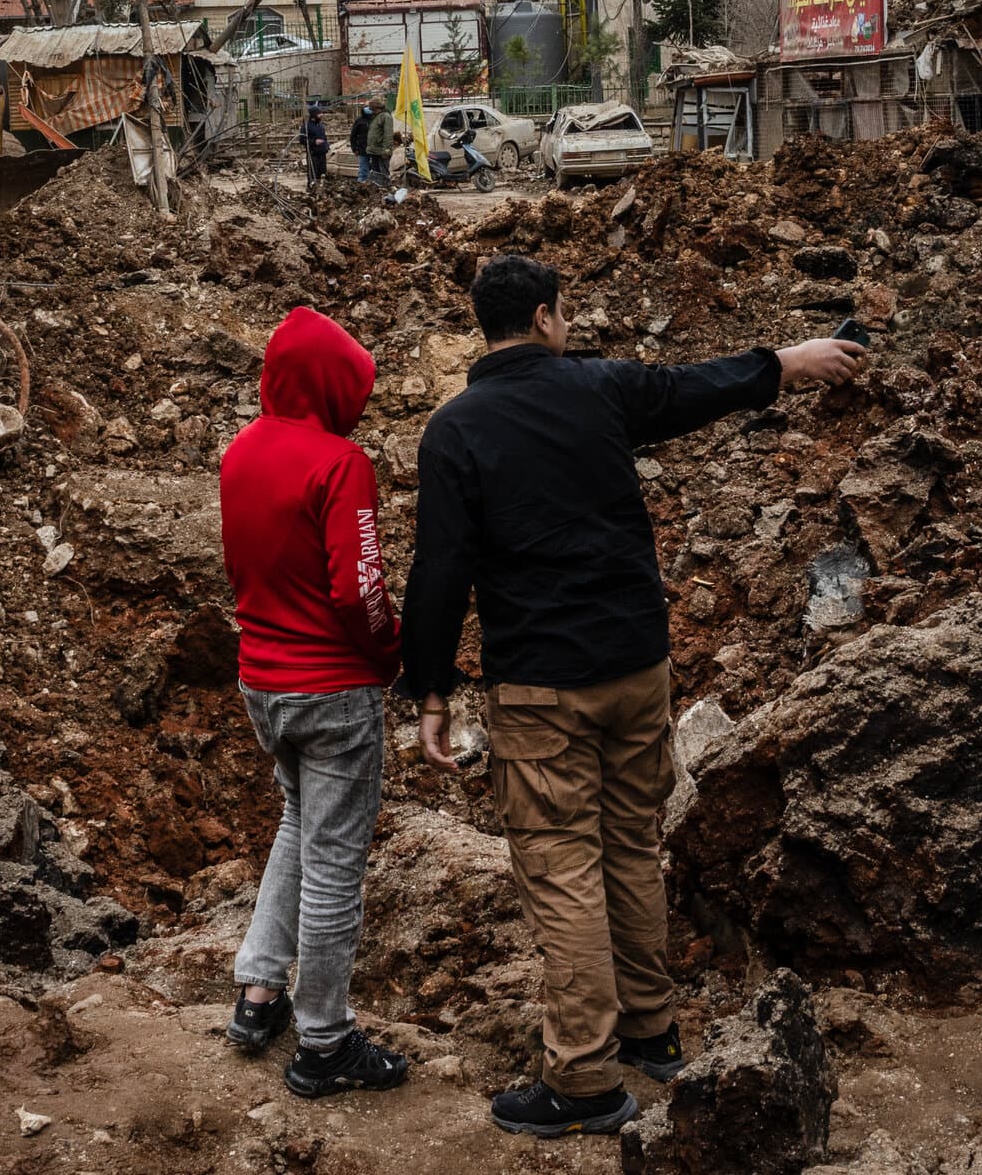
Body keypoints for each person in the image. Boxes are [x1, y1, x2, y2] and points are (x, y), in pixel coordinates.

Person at [400, 255, 867, 1140]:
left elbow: (440, 570)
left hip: (542, 684)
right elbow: (695, 388)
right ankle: (652, 1033)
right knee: (627, 846)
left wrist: (430, 689)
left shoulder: (454, 429)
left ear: (487, 327)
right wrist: (789, 361)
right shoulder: (602, 387)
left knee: (562, 865)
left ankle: (582, 1079)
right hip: (636, 667)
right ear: (545, 317)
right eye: (565, 313)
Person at [218, 307, 409, 1099]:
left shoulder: (239, 453)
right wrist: (392, 652)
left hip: (262, 682)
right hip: (332, 689)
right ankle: (325, 1041)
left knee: (298, 822)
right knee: (334, 864)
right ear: (332, 386)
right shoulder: (340, 463)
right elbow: (359, 590)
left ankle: (259, 992)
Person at [297, 101, 329, 192]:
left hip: (322, 152)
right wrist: (314, 142)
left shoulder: (320, 125)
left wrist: (326, 146)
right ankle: (311, 188)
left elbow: (324, 137)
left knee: (322, 171)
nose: (321, 115)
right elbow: (302, 140)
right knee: (313, 171)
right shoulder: (306, 126)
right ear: (314, 115)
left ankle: (320, 189)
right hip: (313, 153)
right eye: (319, 113)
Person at [364, 95, 396, 186]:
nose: (370, 109)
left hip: (382, 152)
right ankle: (378, 191)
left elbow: (388, 134)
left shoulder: (385, 116)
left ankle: (386, 189)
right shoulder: (376, 117)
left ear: (376, 106)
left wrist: (386, 150)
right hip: (374, 151)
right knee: (376, 176)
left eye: (371, 107)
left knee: (384, 175)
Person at [349, 101, 375, 183]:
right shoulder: (359, 121)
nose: (368, 108)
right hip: (362, 149)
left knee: (374, 170)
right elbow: (353, 136)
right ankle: (361, 184)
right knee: (363, 170)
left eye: (369, 107)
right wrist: (354, 148)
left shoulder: (376, 119)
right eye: (366, 106)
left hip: (374, 149)